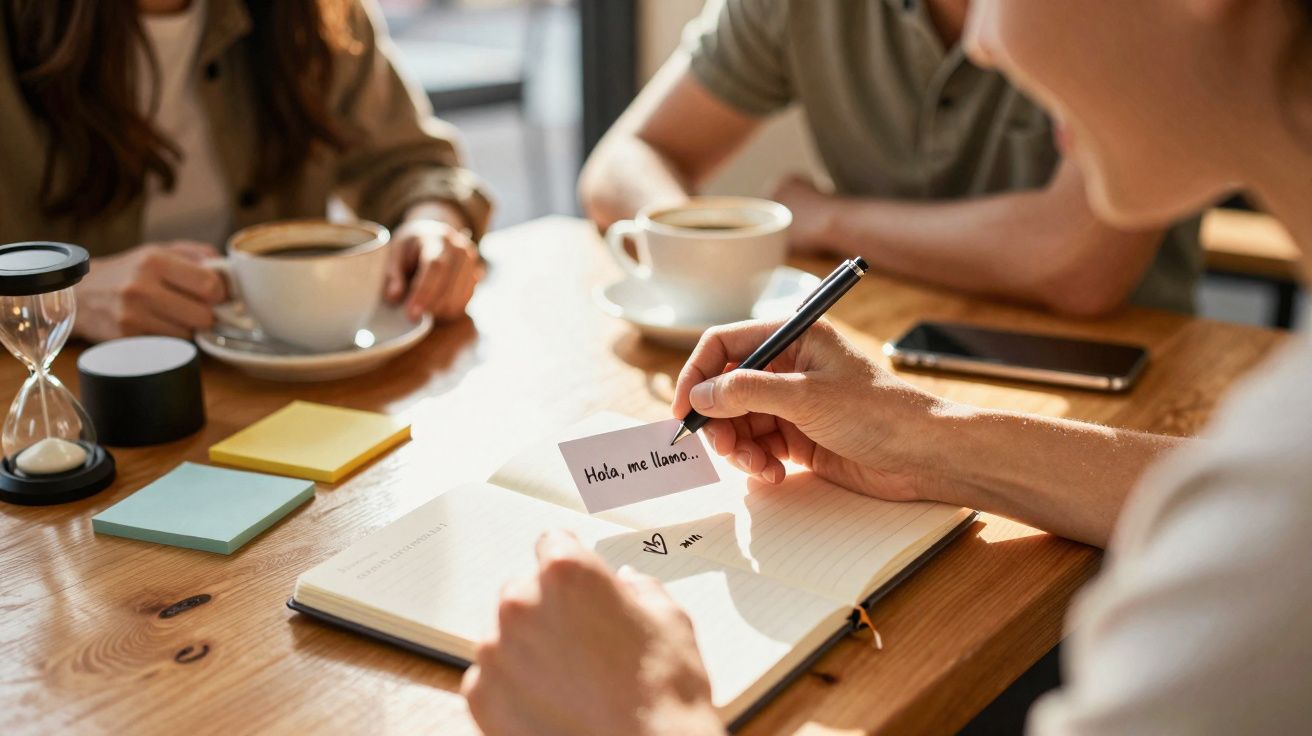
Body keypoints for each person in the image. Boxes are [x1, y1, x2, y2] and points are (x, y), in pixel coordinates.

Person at [464, 0, 1312, 733]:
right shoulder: (1271, 481)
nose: (979, 42)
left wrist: (646, 719)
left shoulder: (1271, 525)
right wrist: (926, 436)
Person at [579, 0, 1204, 318]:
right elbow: (619, 166)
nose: (988, 49)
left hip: (1127, 379)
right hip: (878, 355)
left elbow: (1078, 267)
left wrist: (828, 219)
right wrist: (702, 259)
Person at [0, 0, 491, 342]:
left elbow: (413, 164)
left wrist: (433, 226)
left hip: (277, 393)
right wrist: (65, 296)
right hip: (66, 402)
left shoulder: (312, 16)